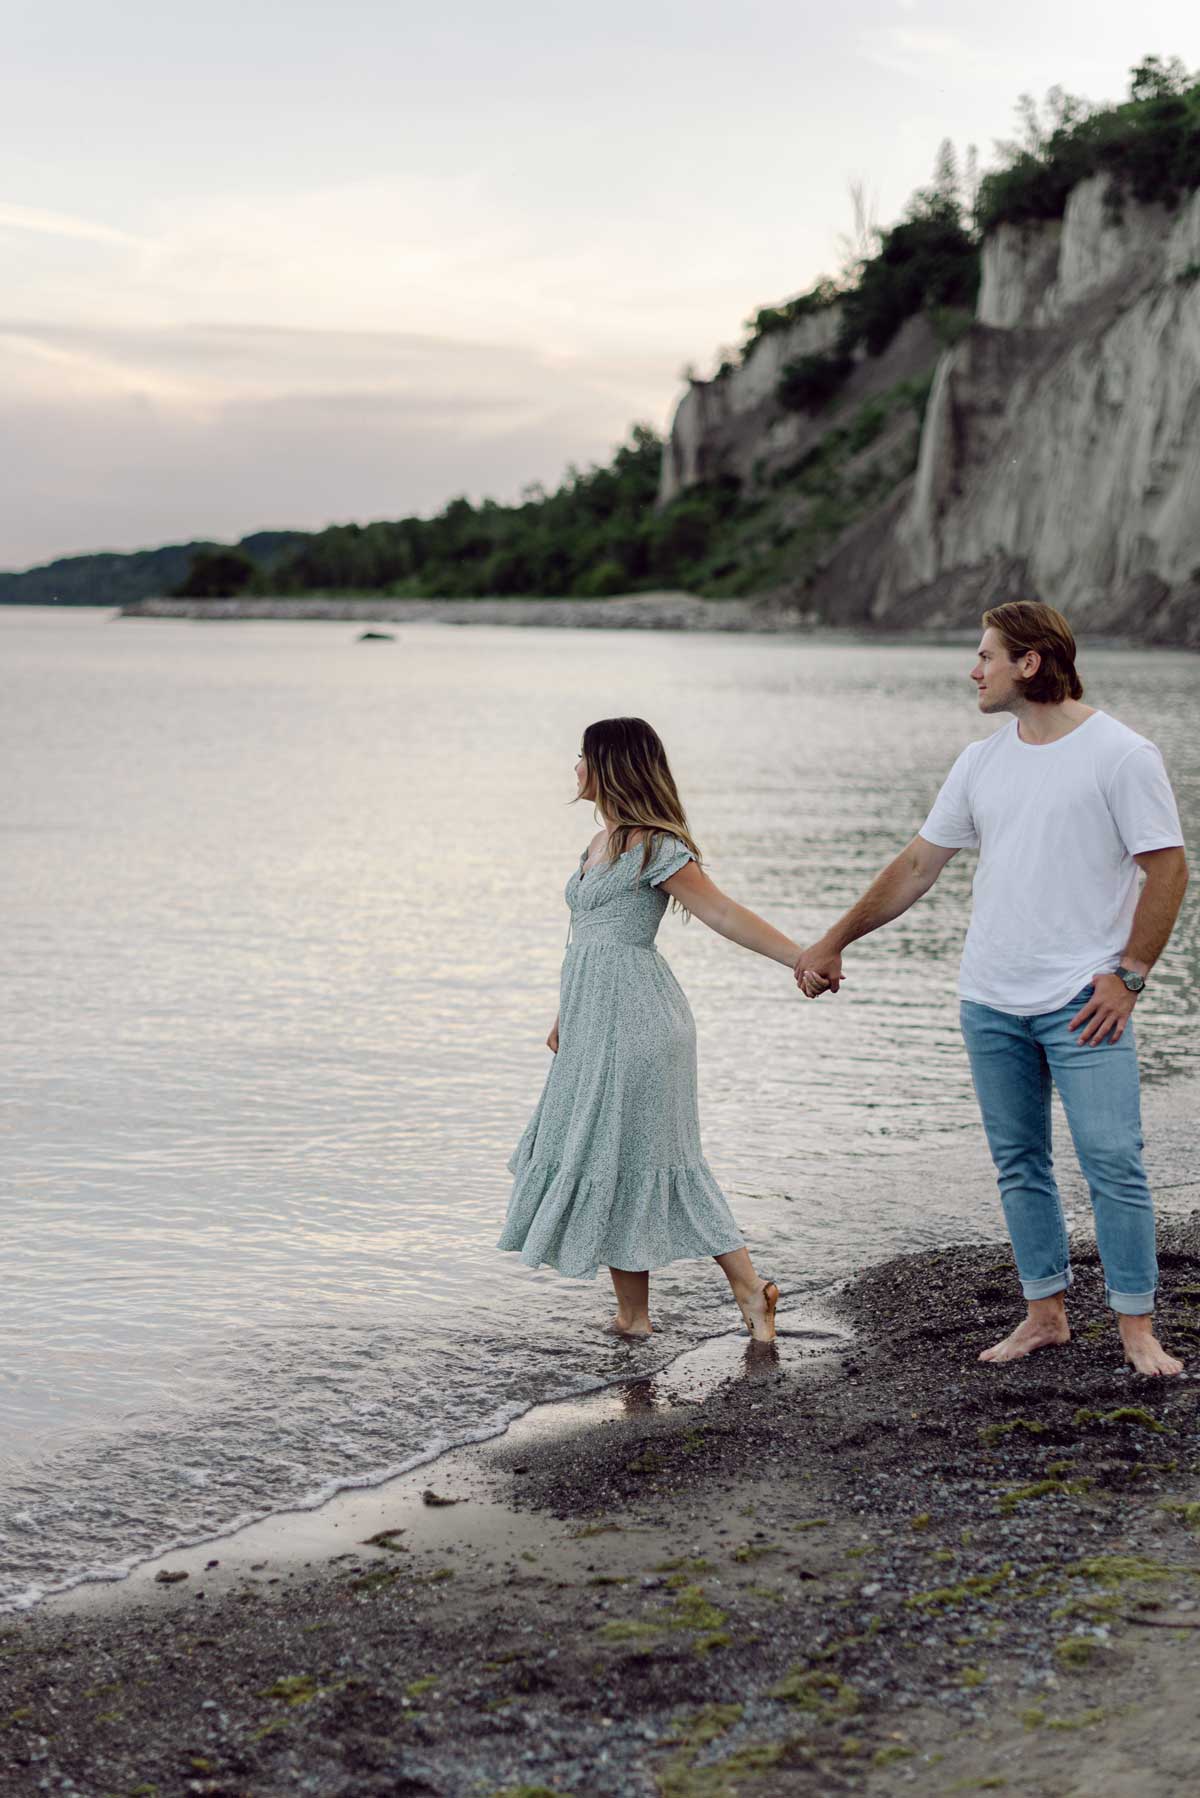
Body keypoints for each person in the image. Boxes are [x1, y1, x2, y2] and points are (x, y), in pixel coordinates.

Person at [795, 602, 1189, 1376]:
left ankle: (1137, 1329)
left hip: (1086, 1000)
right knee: (1020, 1161)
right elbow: (917, 867)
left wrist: (1130, 977)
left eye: (986, 656)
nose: (973, 670)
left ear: (1030, 663)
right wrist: (834, 939)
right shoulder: (981, 762)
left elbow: (1168, 867)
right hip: (991, 999)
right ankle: (1045, 1315)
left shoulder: (1121, 754)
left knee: (1114, 1159)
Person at [498, 715, 803, 1342]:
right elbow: (587, 940)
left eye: (582, 757)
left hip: (640, 1024)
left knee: (661, 1160)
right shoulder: (597, 845)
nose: (574, 768)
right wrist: (566, 1013)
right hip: (593, 1023)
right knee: (613, 1158)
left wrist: (800, 956)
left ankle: (751, 1290)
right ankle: (634, 1317)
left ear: (610, 765)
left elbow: (720, 911)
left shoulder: (655, 845)